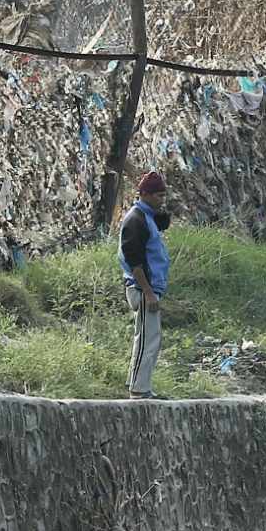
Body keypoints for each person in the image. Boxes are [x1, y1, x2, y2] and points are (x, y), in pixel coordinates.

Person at [118, 171, 171, 399]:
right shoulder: (135, 220)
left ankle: (139, 385)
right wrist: (148, 293)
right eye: (159, 196)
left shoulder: (147, 217)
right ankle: (139, 390)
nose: (162, 200)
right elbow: (134, 261)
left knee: (150, 338)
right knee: (147, 339)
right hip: (142, 288)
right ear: (145, 195)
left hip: (149, 289)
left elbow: (162, 223)